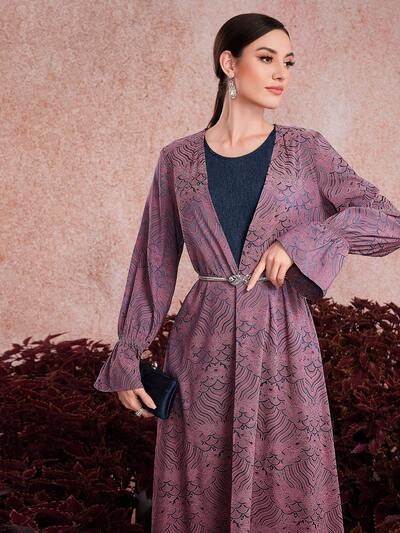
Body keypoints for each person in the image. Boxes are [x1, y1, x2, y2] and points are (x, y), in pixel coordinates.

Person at [94, 12, 400, 533]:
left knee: (286, 482)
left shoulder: (306, 149)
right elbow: (153, 261)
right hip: (202, 344)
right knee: (201, 482)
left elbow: (388, 222)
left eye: (288, 62)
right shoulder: (178, 160)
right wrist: (128, 352)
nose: (281, 73)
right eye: (266, 58)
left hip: (283, 339)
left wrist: (304, 242)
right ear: (229, 63)